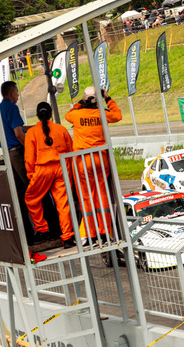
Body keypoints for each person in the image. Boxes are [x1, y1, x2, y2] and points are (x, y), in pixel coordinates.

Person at [64, 86, 123, 246]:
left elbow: (67, 115)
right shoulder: (102, 113)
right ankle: (104, 231)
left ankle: (91, 233)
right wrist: (107, 98)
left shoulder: (76, 114)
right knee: (102, 194)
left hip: (83, 161)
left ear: (84, 99)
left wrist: (80, 102)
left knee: (86, 196)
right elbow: (118, 115)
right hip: (100, 159)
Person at [24, 102, 75, 249]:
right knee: (63, 203)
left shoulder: (32, 133)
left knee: (31, 198)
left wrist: (31, 174)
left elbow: (29, 158)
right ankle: (67, 237)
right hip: (61, 167)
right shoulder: (61, 129)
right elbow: (71, 150)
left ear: (37, 116)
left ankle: (42, 230)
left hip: (42, 169)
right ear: (51, 114)